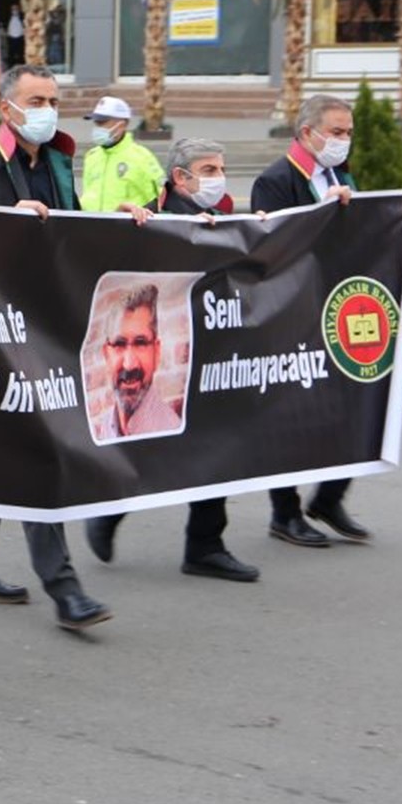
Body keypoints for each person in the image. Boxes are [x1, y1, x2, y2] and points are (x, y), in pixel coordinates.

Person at [0, 65, 152, 632]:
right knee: (42, 449)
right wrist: (4, 224)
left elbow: (72, 228)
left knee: (11, 448)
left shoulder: (58, 162)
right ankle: (64, 589)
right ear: (6, 108)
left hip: (50, 324)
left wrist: (118, 221)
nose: (48, 108)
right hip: (0, 329)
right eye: (37, 99)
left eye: (54, 98)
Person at [250, 93, 402, 549]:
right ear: (307, 132)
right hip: (298, 316)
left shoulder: (338, 174)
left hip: (342, 310)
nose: (344, 141)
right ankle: (285, 514)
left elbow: (362, 233)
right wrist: (320, 212)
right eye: (336, 132)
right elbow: (269, 246)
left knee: (372, 397)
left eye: (348, 133)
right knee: (293, 418)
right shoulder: (275, 180)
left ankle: (329, 497)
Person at [84, 137, 258, 583]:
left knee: (216, 449)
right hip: (174, 360)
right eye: (209, 168)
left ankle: (205, 545)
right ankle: (110, 510)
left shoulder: (223, 216)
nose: (218, 176)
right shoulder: (148, 217)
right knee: (152, 446)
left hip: (215, 355)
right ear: (180, 177)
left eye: (220, 167)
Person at [88, 283, 183, 441]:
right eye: (119, 344)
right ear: (106, 354)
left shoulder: (171, 431)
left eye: (140, 343)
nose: (129, 364)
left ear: (156, 352)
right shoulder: (106, 425)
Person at [80, 95, 165, 213]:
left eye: (102, 122)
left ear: (122, 124)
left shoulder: (142, 157)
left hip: (129, 229)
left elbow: (162, 197)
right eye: (96, 123)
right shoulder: (91, 156)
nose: (98, 127)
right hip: (92, 227)